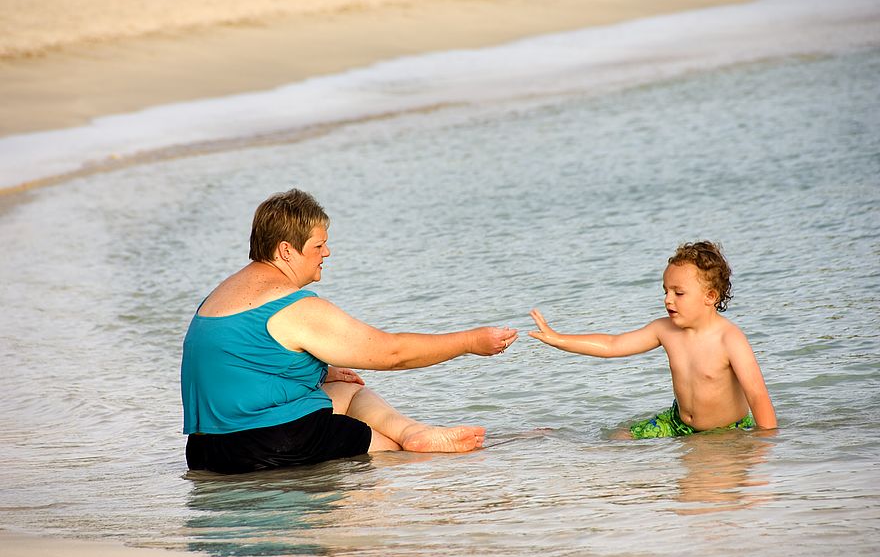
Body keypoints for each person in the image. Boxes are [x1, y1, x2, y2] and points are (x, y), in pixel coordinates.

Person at [181, 188, 518, 473]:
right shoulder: (291, 305)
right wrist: (470, 342)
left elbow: (236, 364)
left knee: (345, 389)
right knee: (400, 455)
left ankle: (416, 430)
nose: (326, 252)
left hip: (205, 452)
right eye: (318, 245)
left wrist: (322, 371)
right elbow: (392, 354)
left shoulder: (218, 297)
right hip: (270, 444)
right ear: (286, 250)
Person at [529, 241, 777, 439]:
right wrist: (558, 338)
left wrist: (765, 446)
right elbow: (612, 345)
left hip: (728, 429)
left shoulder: (729, 339)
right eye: (666, 291)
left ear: (710, 296)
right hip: (677, 423)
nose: (668, 300)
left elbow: (757, 396)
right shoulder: (665, 329)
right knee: (618, 439)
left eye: (678, 293)